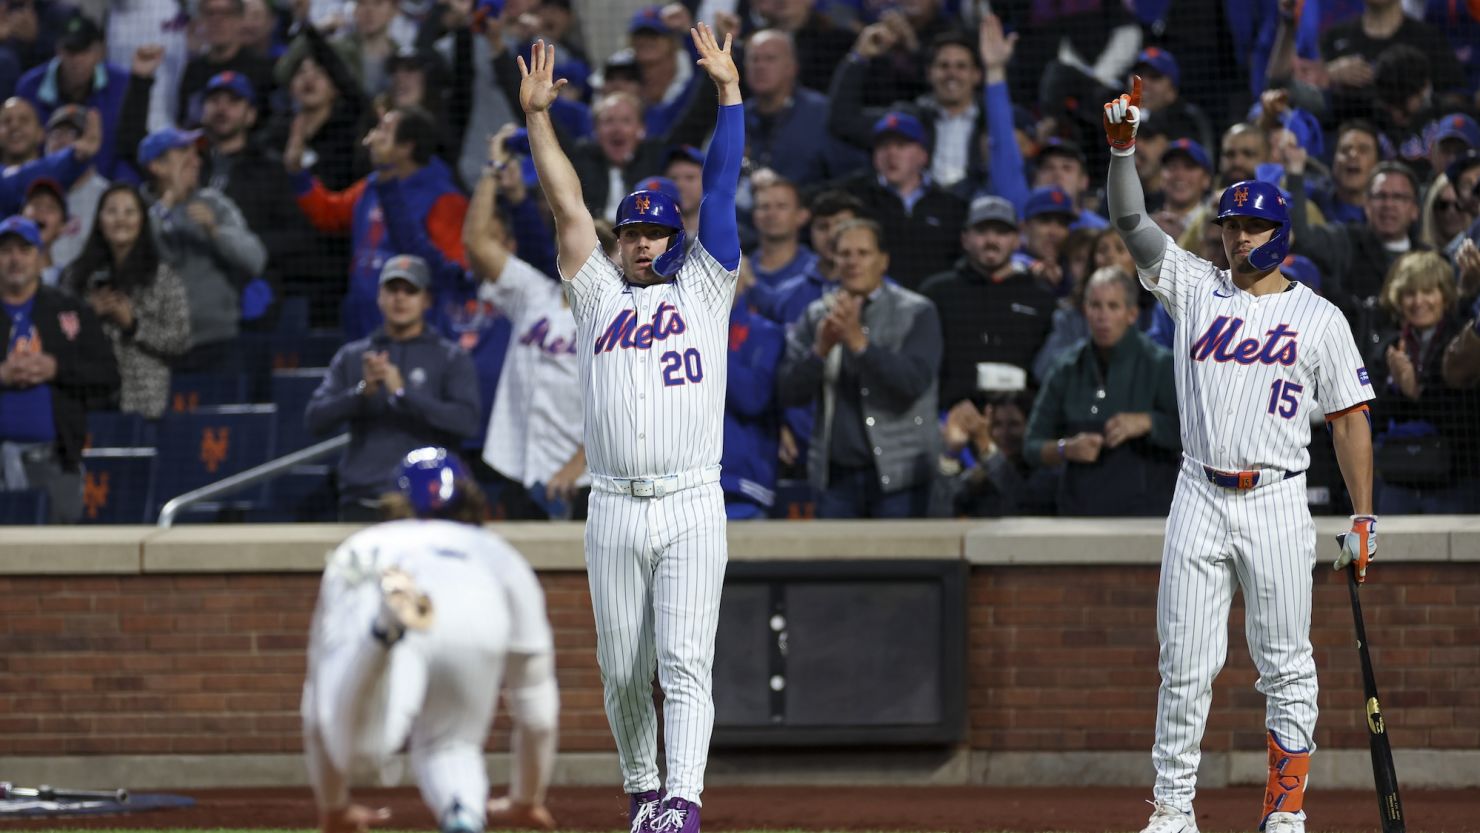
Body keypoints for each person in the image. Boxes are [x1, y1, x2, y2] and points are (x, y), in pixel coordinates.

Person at [1105, 76, 1378, 833]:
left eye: (1251, 227)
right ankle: (1172, 810)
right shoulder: (1196, 286)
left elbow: (1351, 419)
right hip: (1198, 490)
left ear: (1281, 230)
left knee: (1287, 662)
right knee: (1184, 668)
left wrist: (1363, 516)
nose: (1237, 237)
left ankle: (1285, 812)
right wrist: (1124, 151)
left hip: (1278, 497)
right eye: (1229, 224)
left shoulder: (1318, 318)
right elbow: (1129, 218)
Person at [518, 26, 740, 830]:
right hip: (611, 502)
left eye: (654, 231)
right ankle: (644, 791)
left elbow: (720, 185)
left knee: (684, 660)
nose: (641, 241)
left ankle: (682, 802)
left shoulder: (709, 288)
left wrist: (729, 96)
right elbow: (564, 202)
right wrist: (539, 121)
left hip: (687, 499)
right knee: (620, 668)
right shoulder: (598, 295)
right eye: (632, 231)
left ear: (675, 237)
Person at [302, 447, 558, 833]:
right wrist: (526, 799)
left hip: (381, 599)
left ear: (396, 500)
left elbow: (315, 710)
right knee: (451, 746)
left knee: (356, 749)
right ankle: (462, 813)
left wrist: (334, 807)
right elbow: (538, 717)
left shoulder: (360, 545)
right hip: (474, 617)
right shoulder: (500, 555)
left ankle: (383, 632)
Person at [775, 219, 943, 518]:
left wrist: (859, 344)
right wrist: (820, 351)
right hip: (835, 476)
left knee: (898, 565)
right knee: (836, 566)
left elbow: (913, 383)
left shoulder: (917, 311)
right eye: (844, 254)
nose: (853, 261)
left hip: (901, 478)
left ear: (883, 261)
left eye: (863, 253)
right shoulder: (816, 316)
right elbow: (789, 391)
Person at [305, 255, 481, 521]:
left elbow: (466, 422)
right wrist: (361, 392)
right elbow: (315, 420)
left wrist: (403, 394)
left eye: (410, 291)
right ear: (379, 297)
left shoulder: (450, 357)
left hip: (427, 504)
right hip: (364, 501)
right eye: (392, 289)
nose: (400, 298)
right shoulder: (353, 356)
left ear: (426, 300)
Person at [466, 135, 587, 521]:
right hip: (517, 463)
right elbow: (477, 242)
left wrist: (578, 465)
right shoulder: (536, 291)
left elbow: (629, 408)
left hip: (585, 479)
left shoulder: (619, 315)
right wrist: (492, 171)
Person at [1024, 267, 1180, 516]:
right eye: (1095, 306)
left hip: (1147, 515)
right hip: (1078, 513)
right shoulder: (1066, 367)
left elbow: (1194, 438)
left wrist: (1149, 422)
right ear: (1085, 310)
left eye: (1113, 306)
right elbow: (1031, 445)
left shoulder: (1160, 365)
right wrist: (1066, 448)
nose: (1102, 316)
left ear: (1131, 314)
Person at [0, 215, 119, 523]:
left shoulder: (69, 309)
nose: (14, 259)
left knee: (54, 556)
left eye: (24, 251)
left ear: (41, 259)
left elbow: (107, 374)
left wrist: (56, 368)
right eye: (6, 251)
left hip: (56, 459)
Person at [139, 126, 267, 370]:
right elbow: (141, 260)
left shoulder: (213, 204)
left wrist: (215, 232)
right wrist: (163, 211)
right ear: (157, 166)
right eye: (183, 153)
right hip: (158, 344)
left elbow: (256, 258)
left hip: (218, 339)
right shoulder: (136, 210)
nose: (195, 161)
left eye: (195, 154)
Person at [60, 184, 190, 419]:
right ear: (99, 219)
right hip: (84, 398)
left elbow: (179, 339)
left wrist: (133, 325)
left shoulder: (163, 277)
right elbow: (55, 334)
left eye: (129, 212)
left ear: (142, 219)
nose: (121, 219)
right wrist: (89, 315)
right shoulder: (76, 276)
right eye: (112, 211)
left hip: (142, 402)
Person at [1366, 251, 1480, 512]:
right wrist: (1396, 390)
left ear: (1445, 296)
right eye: (1410, 293)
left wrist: (1417, 392)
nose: (1419, 301)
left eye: (1428, 291)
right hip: (1398, 481)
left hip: (1457, 480)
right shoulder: (1388, 347)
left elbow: (1467, 413)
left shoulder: (1462, 341)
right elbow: (1371, 417)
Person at [921, 194, 1055, 408]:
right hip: (950, 416)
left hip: (1021, 419)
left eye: (1001, 232)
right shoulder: (937, 293)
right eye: (982, 232)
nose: (991, 241)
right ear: (965, 238)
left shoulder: (1041, 298)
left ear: (1016, 239)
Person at [721, 257, 783, 520]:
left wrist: (710, 338)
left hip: (740, 484)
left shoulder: (765, 333)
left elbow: (752, 398)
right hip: (681, 482)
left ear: (748, 281)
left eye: (729, 273)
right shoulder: (673, 330)